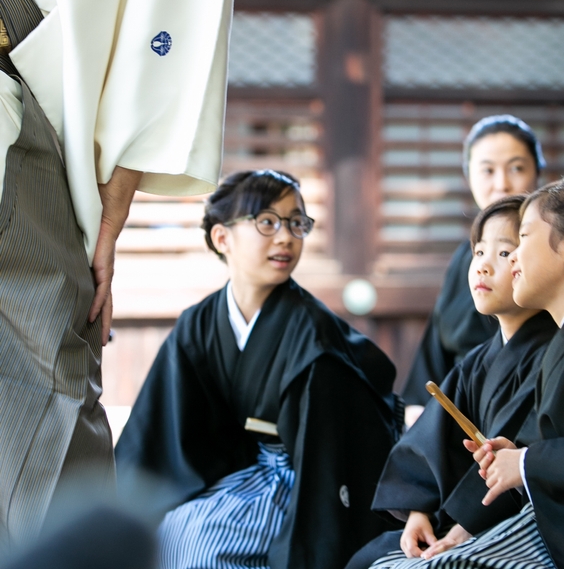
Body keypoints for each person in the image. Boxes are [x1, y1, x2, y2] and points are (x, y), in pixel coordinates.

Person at [0, 0, 327, 542]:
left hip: (20, 90)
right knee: (54, 363)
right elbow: (155, 70)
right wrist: (104, 247)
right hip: (13, 115)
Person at [116, 169, 401, 569]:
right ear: (222, 238)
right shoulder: (198, 324)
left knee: (201, 546)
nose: (285, 237)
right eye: (267, 222)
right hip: (232, 473)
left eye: (296, 223)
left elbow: (331, 454)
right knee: (164, 533)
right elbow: (160, 432)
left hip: (295, 478)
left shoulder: (313, 337)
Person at [368, 173, 564, 569]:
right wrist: (517, 457)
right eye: (481, 252)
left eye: (520, 241)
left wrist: (525, 464)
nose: (514, 258)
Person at [346, 195, 556, 569]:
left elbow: (528, 455)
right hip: (457, 518)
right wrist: (418, 511)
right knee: (366, 558)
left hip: (518, 524)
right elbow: (430, 441)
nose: (484, 267)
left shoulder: (555, 355)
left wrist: (464, 528)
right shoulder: (476, 362)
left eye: (505, 253)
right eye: (478, 252)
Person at [403, 115, 545, 425]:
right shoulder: (464, 259)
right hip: (453, 406)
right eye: (487, 170)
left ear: (538, 173)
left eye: (516, 168)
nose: (501, 183)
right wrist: (417, 406)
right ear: (469, 177)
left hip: (521, 405)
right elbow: (434, 353)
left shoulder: (546, 252)